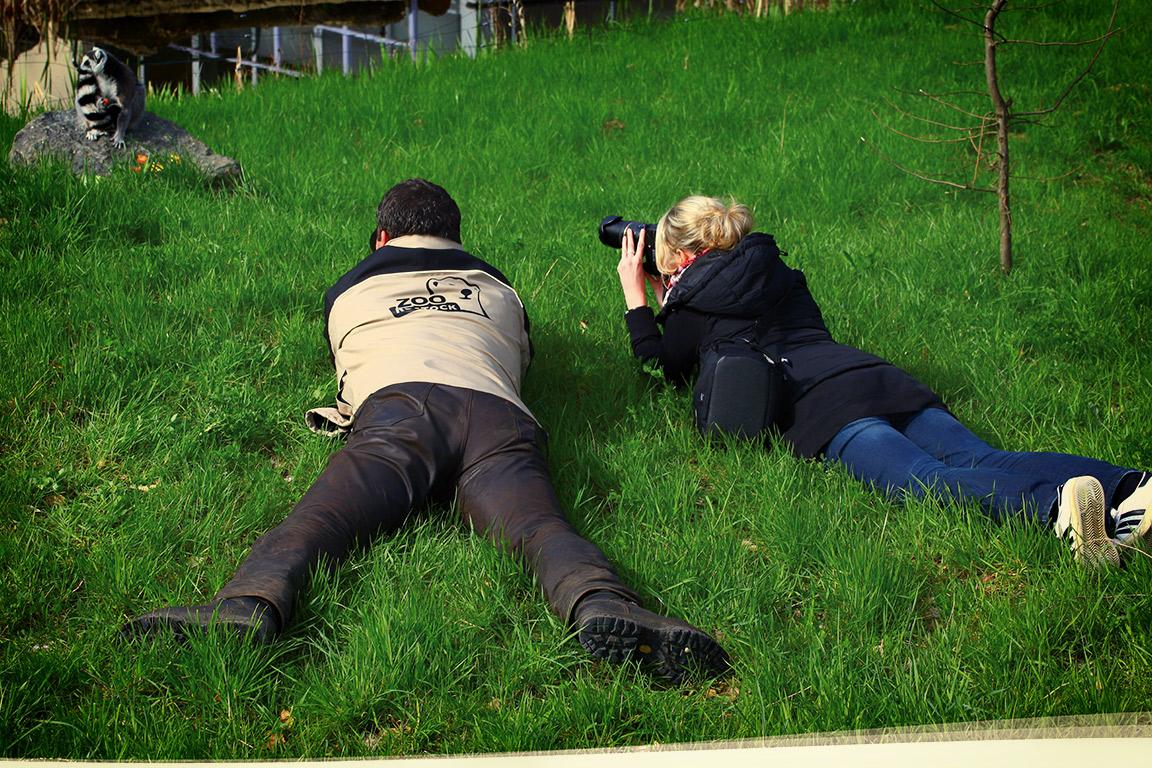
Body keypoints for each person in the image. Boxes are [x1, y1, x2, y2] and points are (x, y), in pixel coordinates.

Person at [123, 180, 729, 685]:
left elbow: (348, 358)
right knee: (540, 527)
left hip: (402, 409)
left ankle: (247, 605)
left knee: (323, 519)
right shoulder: (501, 289)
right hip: (499, 416)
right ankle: (602, 601)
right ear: (455, 238)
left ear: (382, 239)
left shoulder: (352, 286)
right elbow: (520, 359)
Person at [614, 194, 1152, 567]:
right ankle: (1131, 486)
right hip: (876, 376)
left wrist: (640, 298)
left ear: (680, 257)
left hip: (825, 407)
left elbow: (660, 370)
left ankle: (1058, 507)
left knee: (920, 481)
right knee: (982, 458)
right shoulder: (773, 268)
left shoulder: (691, 303)